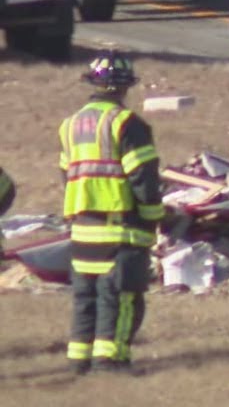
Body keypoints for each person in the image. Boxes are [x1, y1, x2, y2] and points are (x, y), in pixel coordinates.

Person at [59, 51, 163, 375]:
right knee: (121, 299)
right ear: (123, 87)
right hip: (120, 229)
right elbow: (142, 177)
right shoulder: (126, 124)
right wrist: (154, 217)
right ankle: (111, 363)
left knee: (85, 298)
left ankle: (78, 361)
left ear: (93, 84)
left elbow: (67, 174)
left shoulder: (70, 125)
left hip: (82, 230)